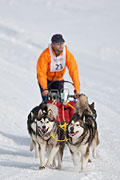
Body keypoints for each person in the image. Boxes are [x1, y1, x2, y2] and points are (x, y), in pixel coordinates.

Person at [37, 34, 80, 102]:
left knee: (60, 102)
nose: (61, 46)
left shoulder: (67, 55)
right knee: (47, 102)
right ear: (53, 45)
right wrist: (45, 88)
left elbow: (74, 71)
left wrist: (77, 89)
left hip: (58, 80)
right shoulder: (45, 55)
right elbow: (41, 73)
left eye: (62, 43)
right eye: (58, 44)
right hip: (46, 81)